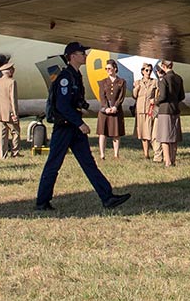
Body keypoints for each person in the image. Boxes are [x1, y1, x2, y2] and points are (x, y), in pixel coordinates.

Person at [35, 42, 131, 211]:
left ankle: (107, 197)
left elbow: (73, 100)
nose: (85, 56)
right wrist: (80, 124)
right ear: (72, 56)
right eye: (82, 53)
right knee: (53, 164)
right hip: (65, 127)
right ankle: (42, 202)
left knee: (89, 163)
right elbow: (63, 106)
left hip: (73, 126)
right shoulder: (65, 77)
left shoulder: (75, 75)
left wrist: (83, 106)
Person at [152, 58, 185, 167]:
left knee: (164, 137)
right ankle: (173, 159)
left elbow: (163, 96)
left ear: (163, 66)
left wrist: (155, 101)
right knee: (174, 137)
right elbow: (182, 96)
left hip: (165, 110)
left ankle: (167, 161)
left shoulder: (163, 80)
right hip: (175, 109)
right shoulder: (179, 78)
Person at [97, 60, 127, 159]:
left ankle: (116, 154)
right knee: (102, 133)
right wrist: (105, 108)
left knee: (116, 133)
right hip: (105, 110)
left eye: (109, 68)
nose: (108, 70)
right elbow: (102, 96)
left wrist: (115, 107)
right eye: (106, 69)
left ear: (115, 69)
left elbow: (121, 97)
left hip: (116, 109)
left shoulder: (121, 82)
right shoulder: (102, 82)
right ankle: (102, 154)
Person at [133, 63, 157, 161]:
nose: (148, 72)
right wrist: (136, 88)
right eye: (146, 70)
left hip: (150, 109)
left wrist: (154, 100)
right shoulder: (138, 82)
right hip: (140, 110)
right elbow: (135, 96)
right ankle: (146, 153)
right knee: (142, 133)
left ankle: (156, 152)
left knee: (150, 131)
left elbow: (157, 94)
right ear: (142, 71)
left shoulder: (154, 82)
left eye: (150, 70)